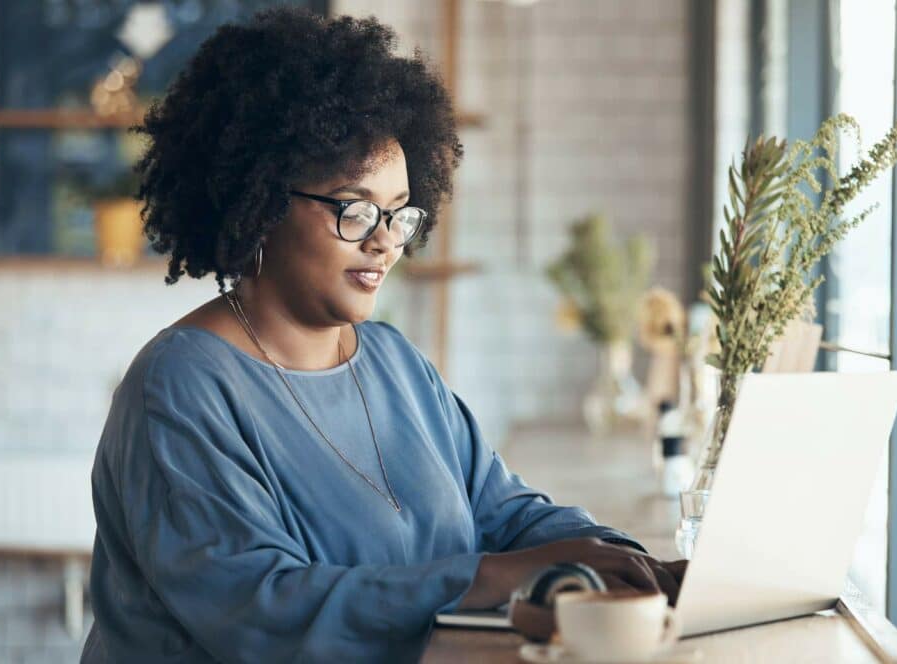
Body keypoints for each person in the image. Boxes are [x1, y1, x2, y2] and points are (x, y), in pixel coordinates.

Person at [82, 8, 685, 663]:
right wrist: (485, 577)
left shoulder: (396, 363)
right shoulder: (179, 387)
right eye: (355, 207)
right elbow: (263, 611)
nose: (385, 240)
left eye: (401, 213)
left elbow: (504, 512)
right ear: (258, 202)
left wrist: (621, 558)